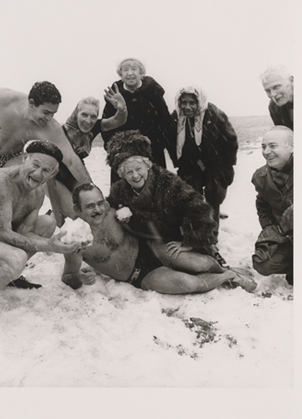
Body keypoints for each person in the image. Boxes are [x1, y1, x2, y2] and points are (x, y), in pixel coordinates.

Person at [0, 140, 83, 328]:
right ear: (25, 158)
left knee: (48, 223)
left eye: (46, 170)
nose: (38, 174)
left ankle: (9, 276)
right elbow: (4, 233)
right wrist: (48, 246)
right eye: (35, 165)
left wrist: (57, 242)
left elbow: (25, 233)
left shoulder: (37, 193)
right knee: (16, 257)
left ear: (53, 173)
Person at [62, 184, 256, 293]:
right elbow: (67, 276)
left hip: (152, 249)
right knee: (188, 284)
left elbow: (155, 214)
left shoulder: (114, 212)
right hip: (140, 276)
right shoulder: (76, 239)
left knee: (201, 263)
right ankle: (227, 276)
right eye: (90, 206)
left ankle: (224, 268)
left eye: (99, 204)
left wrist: (186, 239)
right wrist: (78, 277)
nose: (97, 210)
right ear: (78, 209)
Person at [106, 130, 232, 273]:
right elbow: (107, 209)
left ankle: (215, 259)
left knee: (194, 265)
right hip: (146, 241)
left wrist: (189, 241)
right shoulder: (118, 190)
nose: (135, 176)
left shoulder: (167, 183)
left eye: (138, 169)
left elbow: (200, 207)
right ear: (121, 174)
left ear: (147, 165)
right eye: (129, 172)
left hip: (173, 237)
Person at [0, 81, 91, 195]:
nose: (49, 118)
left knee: (13, 198)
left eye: (53, 113)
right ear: (32, 103)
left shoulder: (51, 127)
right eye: (46, 112)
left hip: (13, 156)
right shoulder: (4, 99)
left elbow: (72, 160)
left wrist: (91, 187)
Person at [50, 88, 128, 224]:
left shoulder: (96, 126)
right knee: (73, 215)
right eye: (84, 115)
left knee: (89, 209)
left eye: (93, 116)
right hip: (55, 175)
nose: (88, 120)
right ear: (76, 114)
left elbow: (117, 121)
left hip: (77, 173)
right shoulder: (60, 132)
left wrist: (122, 109)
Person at [170, 86, 238, 227]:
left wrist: (226, 167)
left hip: (215, 162)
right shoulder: (177, 117)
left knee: (213, 195)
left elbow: (230, 140)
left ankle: (212, 233)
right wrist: (180, 164)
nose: (187, 107)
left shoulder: (213, 114)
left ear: (199, 102)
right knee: (190, 196)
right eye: (184, 102)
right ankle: (197, 227)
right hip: (190, 163)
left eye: (192, 103)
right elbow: (171, 141)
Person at [101, 58, 175, 183]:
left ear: (141, 73)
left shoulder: (154, 93)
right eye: (125, 70)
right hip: (123, 155)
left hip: (152, 154)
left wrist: (152, 146)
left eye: (134, 69)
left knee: (155, 193)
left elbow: (165, 124)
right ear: (120, 74)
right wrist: (117, 150)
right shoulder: (115, 94)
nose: (130, 73)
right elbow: (106, 127)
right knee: (122, 195)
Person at [251, 126, 293, 285]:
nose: (266, 151)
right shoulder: (260, 177)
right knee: (262, 264)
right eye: (263, 146)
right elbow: (262, 205)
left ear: (291, 147)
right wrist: (270, 229)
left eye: (273, 146)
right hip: (285, 235)